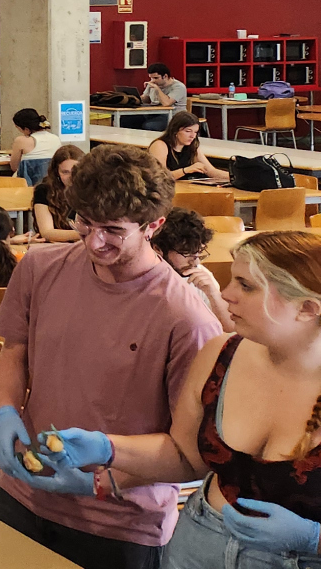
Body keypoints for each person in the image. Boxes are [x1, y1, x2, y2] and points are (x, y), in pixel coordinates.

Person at [31, 232, 321, 569]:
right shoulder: (221, 355)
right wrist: (108, 448)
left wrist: (313, 538)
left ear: (307, 309)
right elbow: (185, 457)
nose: (226, 293)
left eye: (246, 286)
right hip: (199, 543)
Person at [0, 144, 221, 569]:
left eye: (114, 230)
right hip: (22, 494)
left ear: (154, 225)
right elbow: (14, 352)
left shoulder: (185, 318)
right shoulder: (39, 269)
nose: (95, 242)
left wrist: (102, 480)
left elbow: (191, 454)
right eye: (84, 222)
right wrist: (6, 409)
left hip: (119, 525)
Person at [152, 210, 234, 333]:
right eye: (187, 253)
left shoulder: (201, 275)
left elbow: (229, 328)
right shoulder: (141, 281)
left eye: (198, 252)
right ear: (157, 249)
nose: (195, 262)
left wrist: (213, 294)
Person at [26, 144, 86, 244]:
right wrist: (83, 234)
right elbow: (47, 232)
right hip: (55, 246)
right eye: (65, 172)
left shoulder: (91, 190)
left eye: (75, 171)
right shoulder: (44, 190)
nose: (71, 177)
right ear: (57, 172)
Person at [152, 111, 230, 184]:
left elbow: (211, 171)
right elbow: (160, 177)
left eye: (195, 132)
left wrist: (234, 177)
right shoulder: (160, 145)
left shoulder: (192, 146)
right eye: (188, 131)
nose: (192, 136)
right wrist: (185, 170)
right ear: (175, 130)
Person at [10, 108, 64, 185]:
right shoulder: (56, 138)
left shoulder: (21, 141)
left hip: (28, 185)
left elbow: (14, 167)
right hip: (53, 184)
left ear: (26, 129)